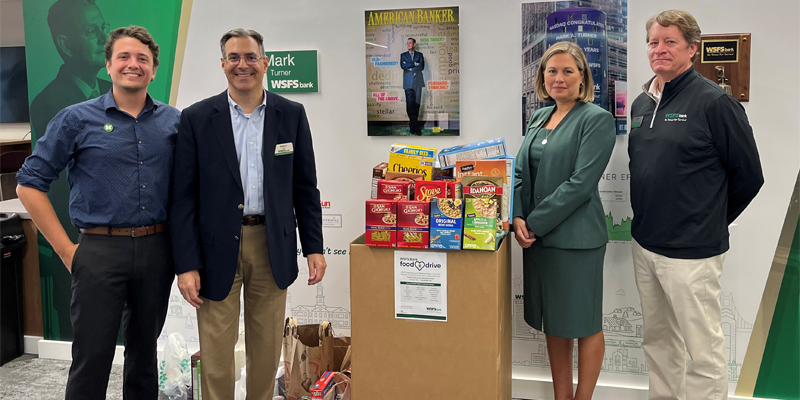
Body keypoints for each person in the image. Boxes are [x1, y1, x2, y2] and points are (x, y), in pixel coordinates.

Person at [16, 26, 179, 400]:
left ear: (154, 69)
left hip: (157, 250)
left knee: (144, 356)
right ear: (108, 66)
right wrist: (66, 250)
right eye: (123, 57)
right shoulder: (75, 119)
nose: (133, 65)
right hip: (98, 252)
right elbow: (28, 184)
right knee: (92, 357)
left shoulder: (173, 122)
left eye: (143, 59)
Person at [170, 28, 327, 399]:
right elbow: (182, 198)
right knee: (216, 353)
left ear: (265, 62)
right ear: (223, 64)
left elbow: (305, 188)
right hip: (214, 249)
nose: (243, 65)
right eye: (234, 58)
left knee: (267, 349)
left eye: (250, 57)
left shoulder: (292, 114)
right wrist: (186, 263)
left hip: (272, 244)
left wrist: (314, 247)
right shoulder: (196, 118)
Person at [628, 10, 763, 400]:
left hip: (692, 253)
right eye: (654, 42)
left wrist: (706, 220)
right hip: (646, 245)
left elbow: (750, 176)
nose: (660, 49)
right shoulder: (641, 103)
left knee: (703, 352)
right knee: (658, 343)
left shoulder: (715, 102)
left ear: (692, 47)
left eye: (670, 41)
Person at [513, 41, 615, 400]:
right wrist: (517, 217)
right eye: (551, 71)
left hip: (576, 241)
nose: (558, 78)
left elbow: (580, 184)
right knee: (554, 325)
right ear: (543, 76)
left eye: (567, 71)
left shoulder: (597, 119)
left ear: (582, 76)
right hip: (538, 240)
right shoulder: (539, 117)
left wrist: (534, 223)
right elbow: (520, 173)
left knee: (584, 324)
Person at [27, 0, 114, 340]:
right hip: (83, 249)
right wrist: (70, 251)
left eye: (104, 28)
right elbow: (53, 186)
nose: (103, 38)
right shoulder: (51, 103)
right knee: (85, 348)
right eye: (92, 31)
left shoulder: (114, 93)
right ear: (65, 44)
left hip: (122, 252)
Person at [400, 37, 425, 135]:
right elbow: (403, 66)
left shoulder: (420, 55)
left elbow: (421, 66)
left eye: (410, 43)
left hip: (418, 82)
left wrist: (410, 67)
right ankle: (414, 125)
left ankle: (414, 125)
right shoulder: (403, 55)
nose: (409, 44)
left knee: (417, 104)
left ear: (414, 44)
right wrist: (414, 64)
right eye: (407, 43)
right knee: (410, 104)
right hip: (408, 83)